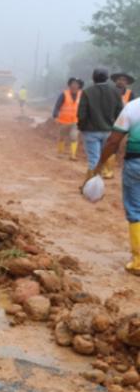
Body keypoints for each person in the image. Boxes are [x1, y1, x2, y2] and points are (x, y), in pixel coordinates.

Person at [87, 96, 140, 275]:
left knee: (136, 211)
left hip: (136, 164)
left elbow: (113, 141)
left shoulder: (133, 107)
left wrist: (100, 164)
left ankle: (139, 262)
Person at [78, 68, 124, 176]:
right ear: (107, 78)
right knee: (105, 157)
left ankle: (92, 188)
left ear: (93, 78)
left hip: (91, 131)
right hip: (109, 131)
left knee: (94, 159)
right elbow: (120, 113)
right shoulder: (116, 92)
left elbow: (82, 114)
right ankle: (101, 179)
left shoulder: (87, 92)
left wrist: (82, 127)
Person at [52, 78, 82, 159]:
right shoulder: (64, 94)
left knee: (74, 136)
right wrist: (55, 116)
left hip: (75, 121)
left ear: (79, 86)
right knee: (62, 137)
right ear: (69, 85)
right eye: (73, 84)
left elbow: (84, 107)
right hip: (64, 121)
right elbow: (57, 106)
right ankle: (60, 152)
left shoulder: (81, 95)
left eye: (76, 84)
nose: (74, 86)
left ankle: (73, 155)